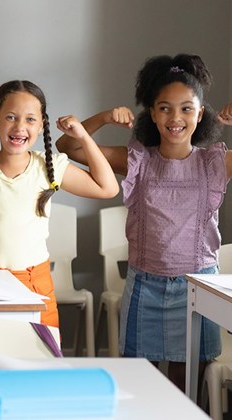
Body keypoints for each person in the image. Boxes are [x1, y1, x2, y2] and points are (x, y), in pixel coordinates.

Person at [56, 54, 232, 391]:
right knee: (140, 385)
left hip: (198, 288)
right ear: (151, 114)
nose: (175, 117)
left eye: (186, 108)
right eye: (164, 108)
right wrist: (105, 117)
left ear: (200, 114)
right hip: (144, 286)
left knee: (188, 388)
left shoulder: (214, 163)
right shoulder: (137, 160)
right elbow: (68, 146)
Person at [0, 81, 119, 328]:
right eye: (11, 117)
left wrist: (82, 136)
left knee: (39, 357)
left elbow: (108, 188)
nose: (19, 127)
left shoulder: (50, 167)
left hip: (34, 282)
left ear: (41, 125)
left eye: (30, 120)